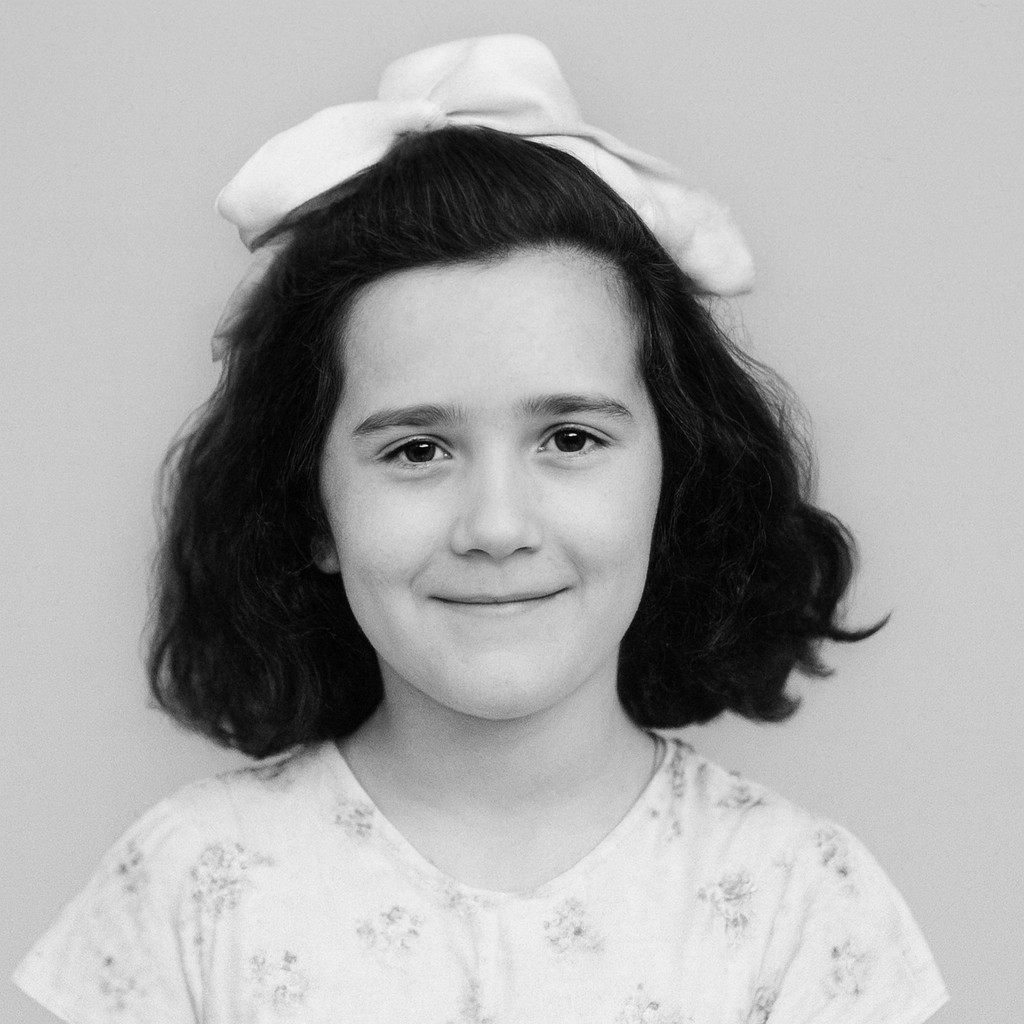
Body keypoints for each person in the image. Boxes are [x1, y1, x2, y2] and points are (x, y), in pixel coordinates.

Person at [14, 35, 948, 1024]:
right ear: (310, 508)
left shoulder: (801, 902)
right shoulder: (187, 891)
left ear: (674, 479)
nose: (496, 526)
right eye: (417, 451)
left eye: (571, 439)